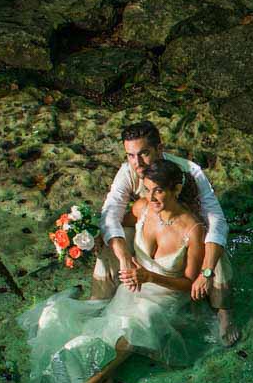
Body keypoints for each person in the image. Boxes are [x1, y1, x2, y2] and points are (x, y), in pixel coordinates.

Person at [18, 160, 218, 383]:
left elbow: (188, 284)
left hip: (164, 296)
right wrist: (90, 235)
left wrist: (150, 276)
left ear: (176, 189)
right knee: (103, 328)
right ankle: (87, 372)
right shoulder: (143, 208)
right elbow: (112, 224)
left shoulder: (192, 230)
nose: (152, 197)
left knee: (141, 321)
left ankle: (104, 374)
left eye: (159, 190)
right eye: (147, 190)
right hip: (134, 284)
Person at [96, 119, 240, 345]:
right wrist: (123, 256)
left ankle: (223, 311)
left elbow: (217, 220)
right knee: (112, 240)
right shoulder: (128, 172)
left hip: (189, 232)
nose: (137, 162)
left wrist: (207, 271)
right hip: (151, 225)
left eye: (143, 153)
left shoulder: (191, 171)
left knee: (214, 247)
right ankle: (100, 298)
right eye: (130, 155)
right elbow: (111, 212)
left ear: (159, 149)